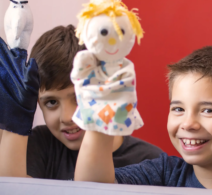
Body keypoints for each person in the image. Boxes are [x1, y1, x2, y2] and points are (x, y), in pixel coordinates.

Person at [74, 46, 212, 192]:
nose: (187, 123)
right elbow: (92, 188)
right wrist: (100, 115)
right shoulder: (163, 174)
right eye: (178, 109)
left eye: (208, 110)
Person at [0, 25, 163, 180]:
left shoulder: (150, 160)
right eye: (51, 102)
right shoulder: (37, 145)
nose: (67, 117)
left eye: (79, 99)